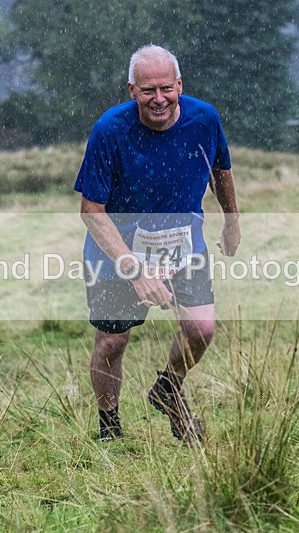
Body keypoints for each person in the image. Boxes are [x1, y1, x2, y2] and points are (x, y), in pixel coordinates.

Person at [74, 44, 240, 442]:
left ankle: (167, 388)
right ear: (132, 90)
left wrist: (232, 219)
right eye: (148, 90)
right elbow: (91, 210)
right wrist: (134, 270)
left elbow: (221, 167)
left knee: (200, 329)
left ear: (179, 84)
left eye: (166, 88)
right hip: (117, 249)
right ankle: (110, 429)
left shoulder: (204, 118)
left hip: (183, 246)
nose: (159, 99)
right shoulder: (110, 130)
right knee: (112, 341)